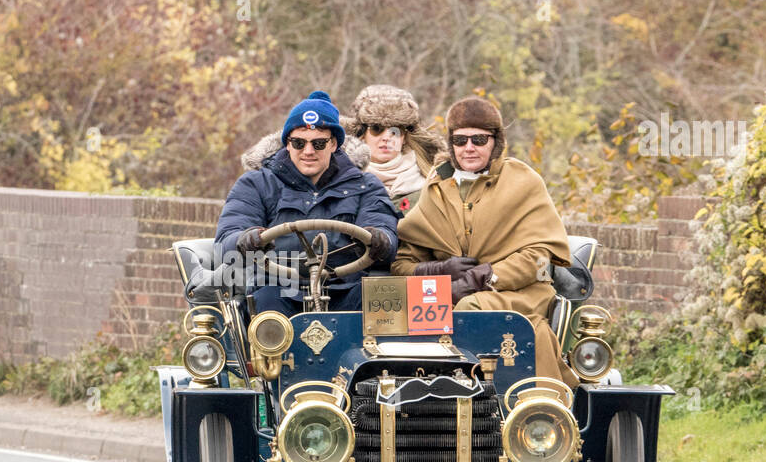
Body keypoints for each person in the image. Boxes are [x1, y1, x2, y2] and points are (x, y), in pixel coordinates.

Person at [391, 96, 577, 385]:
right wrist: (440, 272)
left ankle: (520, 401)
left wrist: (485, 276)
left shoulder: (523, 181)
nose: (469, 148)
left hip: (518, 293)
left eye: (479, 139)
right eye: (460, 140)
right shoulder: (437, 185)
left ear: (496, 141)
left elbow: (541, 255)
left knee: (472, 310)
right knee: (392, 318)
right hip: (447, 296)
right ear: (450, 145)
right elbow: (403, 263)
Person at [217, 91, 399, 314]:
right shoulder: (256, 184)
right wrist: (245, 239)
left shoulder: (365, 185)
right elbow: (227, 238)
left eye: (319, 143)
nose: (308, 151)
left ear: (334, 144)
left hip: (346, 290)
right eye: (299, 143)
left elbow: (385, 233)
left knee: (378, 301)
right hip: (278, 288)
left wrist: (379, 238)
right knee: (264, 302)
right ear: (287, 144)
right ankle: (272, 351)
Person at [347, 84, 444, 216]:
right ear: (362, 134)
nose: (387, 137)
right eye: (376, 129)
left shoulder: (432, 180)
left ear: (404, 138)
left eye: (396, 130)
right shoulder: (343, 181)